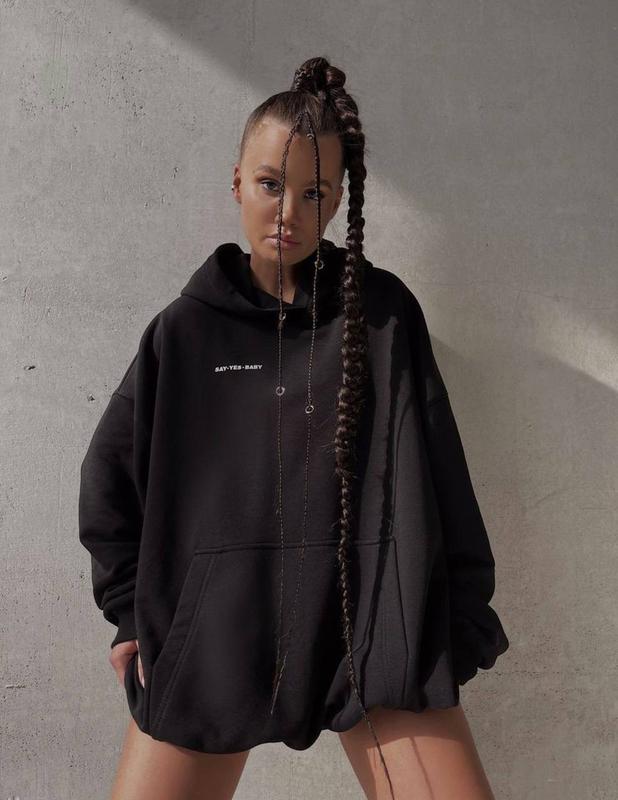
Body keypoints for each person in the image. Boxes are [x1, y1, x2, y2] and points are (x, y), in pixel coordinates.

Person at [78, 56, 510, 800]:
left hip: (370, 633)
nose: (290, 212)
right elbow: (108, 482)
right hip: (216, 640)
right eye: (271, 185)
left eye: (314, 193)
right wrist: (129, 617)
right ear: (237, 183)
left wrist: (459, 619)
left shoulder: (383, 317)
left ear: (338, 200)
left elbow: (442, 474)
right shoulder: (183, 333)